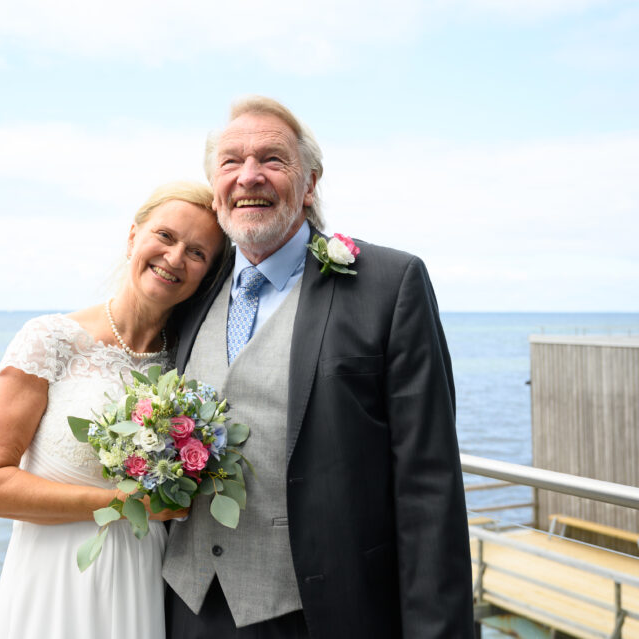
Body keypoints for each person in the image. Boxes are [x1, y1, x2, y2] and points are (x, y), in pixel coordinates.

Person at [163, 96, 474, 638]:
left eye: (272, 160)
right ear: (215, 188)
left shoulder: (390, 284)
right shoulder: (190, 287)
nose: (249, 176)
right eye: (231, 162)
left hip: (326, 612)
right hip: (187, 609)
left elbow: (429, 484)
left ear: (309, 184)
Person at [0, 181, 226, 639]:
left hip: (143, 578)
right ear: (133, 236)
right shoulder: (51, 340)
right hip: (55, 577)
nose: (174, 258)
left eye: (197, 253)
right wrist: (129, 505)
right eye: (165, 236)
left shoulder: (187, 363)